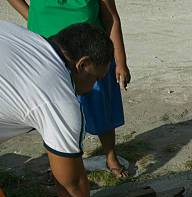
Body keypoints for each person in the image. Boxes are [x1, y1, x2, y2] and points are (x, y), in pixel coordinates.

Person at [0, 22, 109, 197]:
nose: (92, 88)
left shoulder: (29, 41)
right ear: (82, 64)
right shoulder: (59, 95)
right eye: (95, 78)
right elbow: (69, 182)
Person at [7, 0, 131, 178]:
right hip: (48, 51)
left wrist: (120, 61)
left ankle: (111, 157)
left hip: (91, 54)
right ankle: (62, 164)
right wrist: (31, 15)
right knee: (54, 114)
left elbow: (111, 17)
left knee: (102, 108)